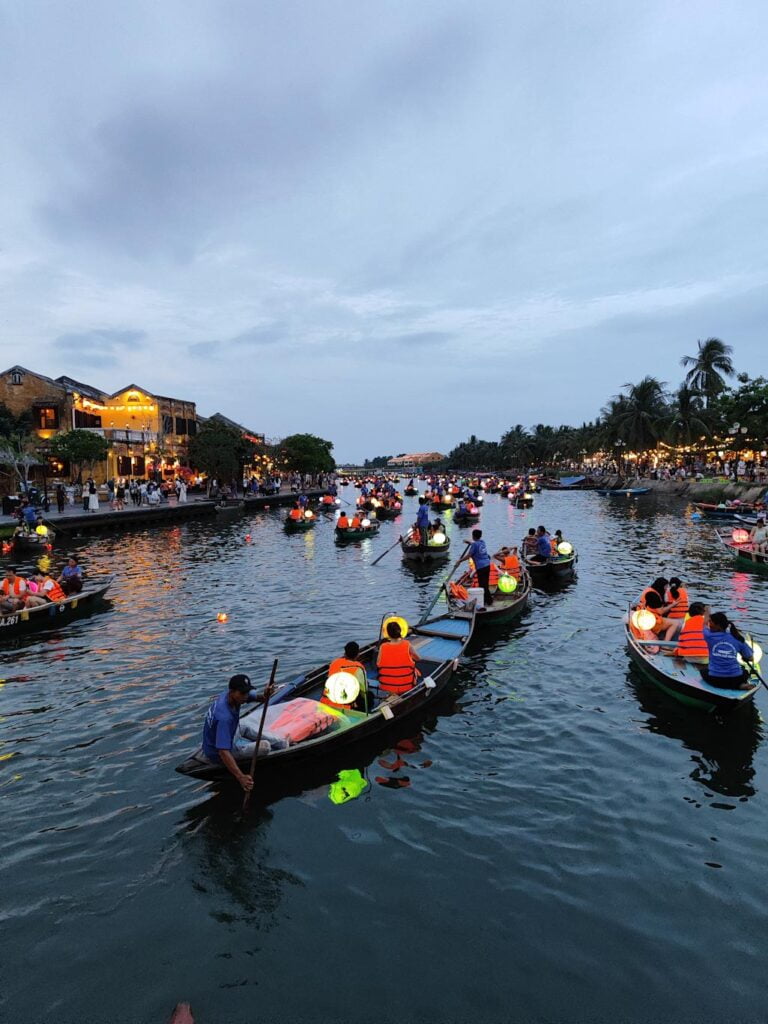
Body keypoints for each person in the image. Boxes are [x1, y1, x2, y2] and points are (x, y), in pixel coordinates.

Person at [201, 674, 264, 790]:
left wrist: (266, 695)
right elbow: (223, 752)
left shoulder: (228, 695)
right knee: (265, 747)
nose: (245, 697)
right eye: (242, 693)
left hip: (215, 741)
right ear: (232, 691)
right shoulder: (224, 717)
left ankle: (284, 743)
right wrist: (241, 777)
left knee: (244, 726)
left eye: (247, 692)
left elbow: (255, 697)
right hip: (217, 753)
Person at [699, 612, 754, 689]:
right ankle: (740, 685)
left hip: (715, 679)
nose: (709, 624)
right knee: (744, 672)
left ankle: (738, 685)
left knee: (703, 671)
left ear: (718, 625)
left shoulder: (709, 636)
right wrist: (744, 657)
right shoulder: (737, 638)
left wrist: (707, 610)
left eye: (710, 622)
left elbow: (703, 625)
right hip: (736, 678)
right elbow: (750, 658)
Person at [322, 641, 369, 711]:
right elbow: (364, 690)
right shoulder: (359, 668)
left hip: (326, 701)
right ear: (357, 654)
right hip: (344, 706)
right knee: (369, 698)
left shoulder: (334, 663)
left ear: (345, 653)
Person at [377, 621, 420, 695]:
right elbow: (418, 658)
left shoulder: (383, 646)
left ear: (388, 634)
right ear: (400, 631)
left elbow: (378, 664)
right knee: (415, 670)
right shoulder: (407, 644)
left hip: (386, 687)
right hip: (406, 687)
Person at [460, 528, 494, 606]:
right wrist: (468, 542)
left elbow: (469, 555)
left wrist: (460, 561)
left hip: (481, 567)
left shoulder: (474, 545)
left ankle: (488, 601)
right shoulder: (482, 542)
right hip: (487, 565)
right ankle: (487, 600)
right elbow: (474, 543)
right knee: (485, 583)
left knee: (482, 585)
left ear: (473, 536)